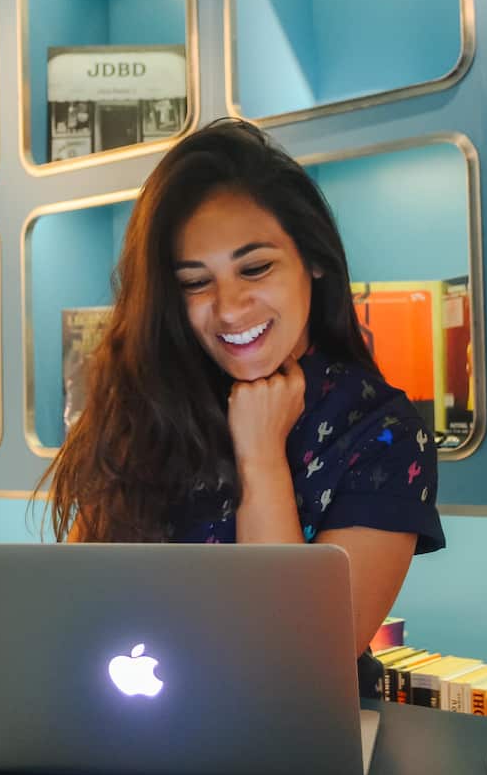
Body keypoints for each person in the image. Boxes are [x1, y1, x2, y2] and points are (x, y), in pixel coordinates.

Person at [36, 118, 445, 698]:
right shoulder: (147, 399)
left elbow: (296, 659)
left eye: (255, 268)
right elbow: (74, 601)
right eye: (194, 283)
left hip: (290, 749)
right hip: (128, 732)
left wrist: (261, 459)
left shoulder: (385, 432)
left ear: (315, 259)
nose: (229, 308)